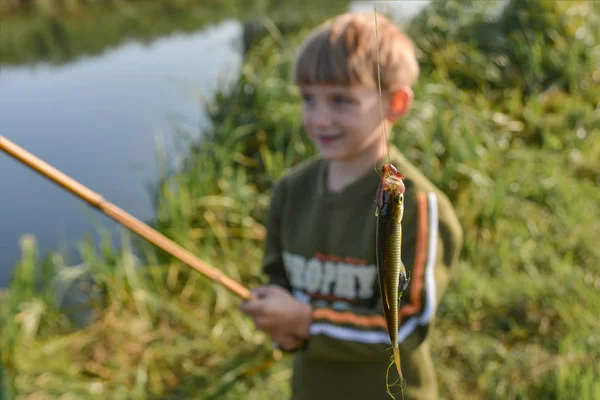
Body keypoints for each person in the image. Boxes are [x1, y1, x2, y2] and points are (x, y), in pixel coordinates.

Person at [240, 11, 463, 400]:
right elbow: (278, 278)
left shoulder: (421, 206)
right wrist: (279, 319)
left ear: (395, 103)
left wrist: (309, 323)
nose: (319, 118)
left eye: (341, 100)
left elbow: (408, 326)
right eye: (308, 99)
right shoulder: (289, 192)